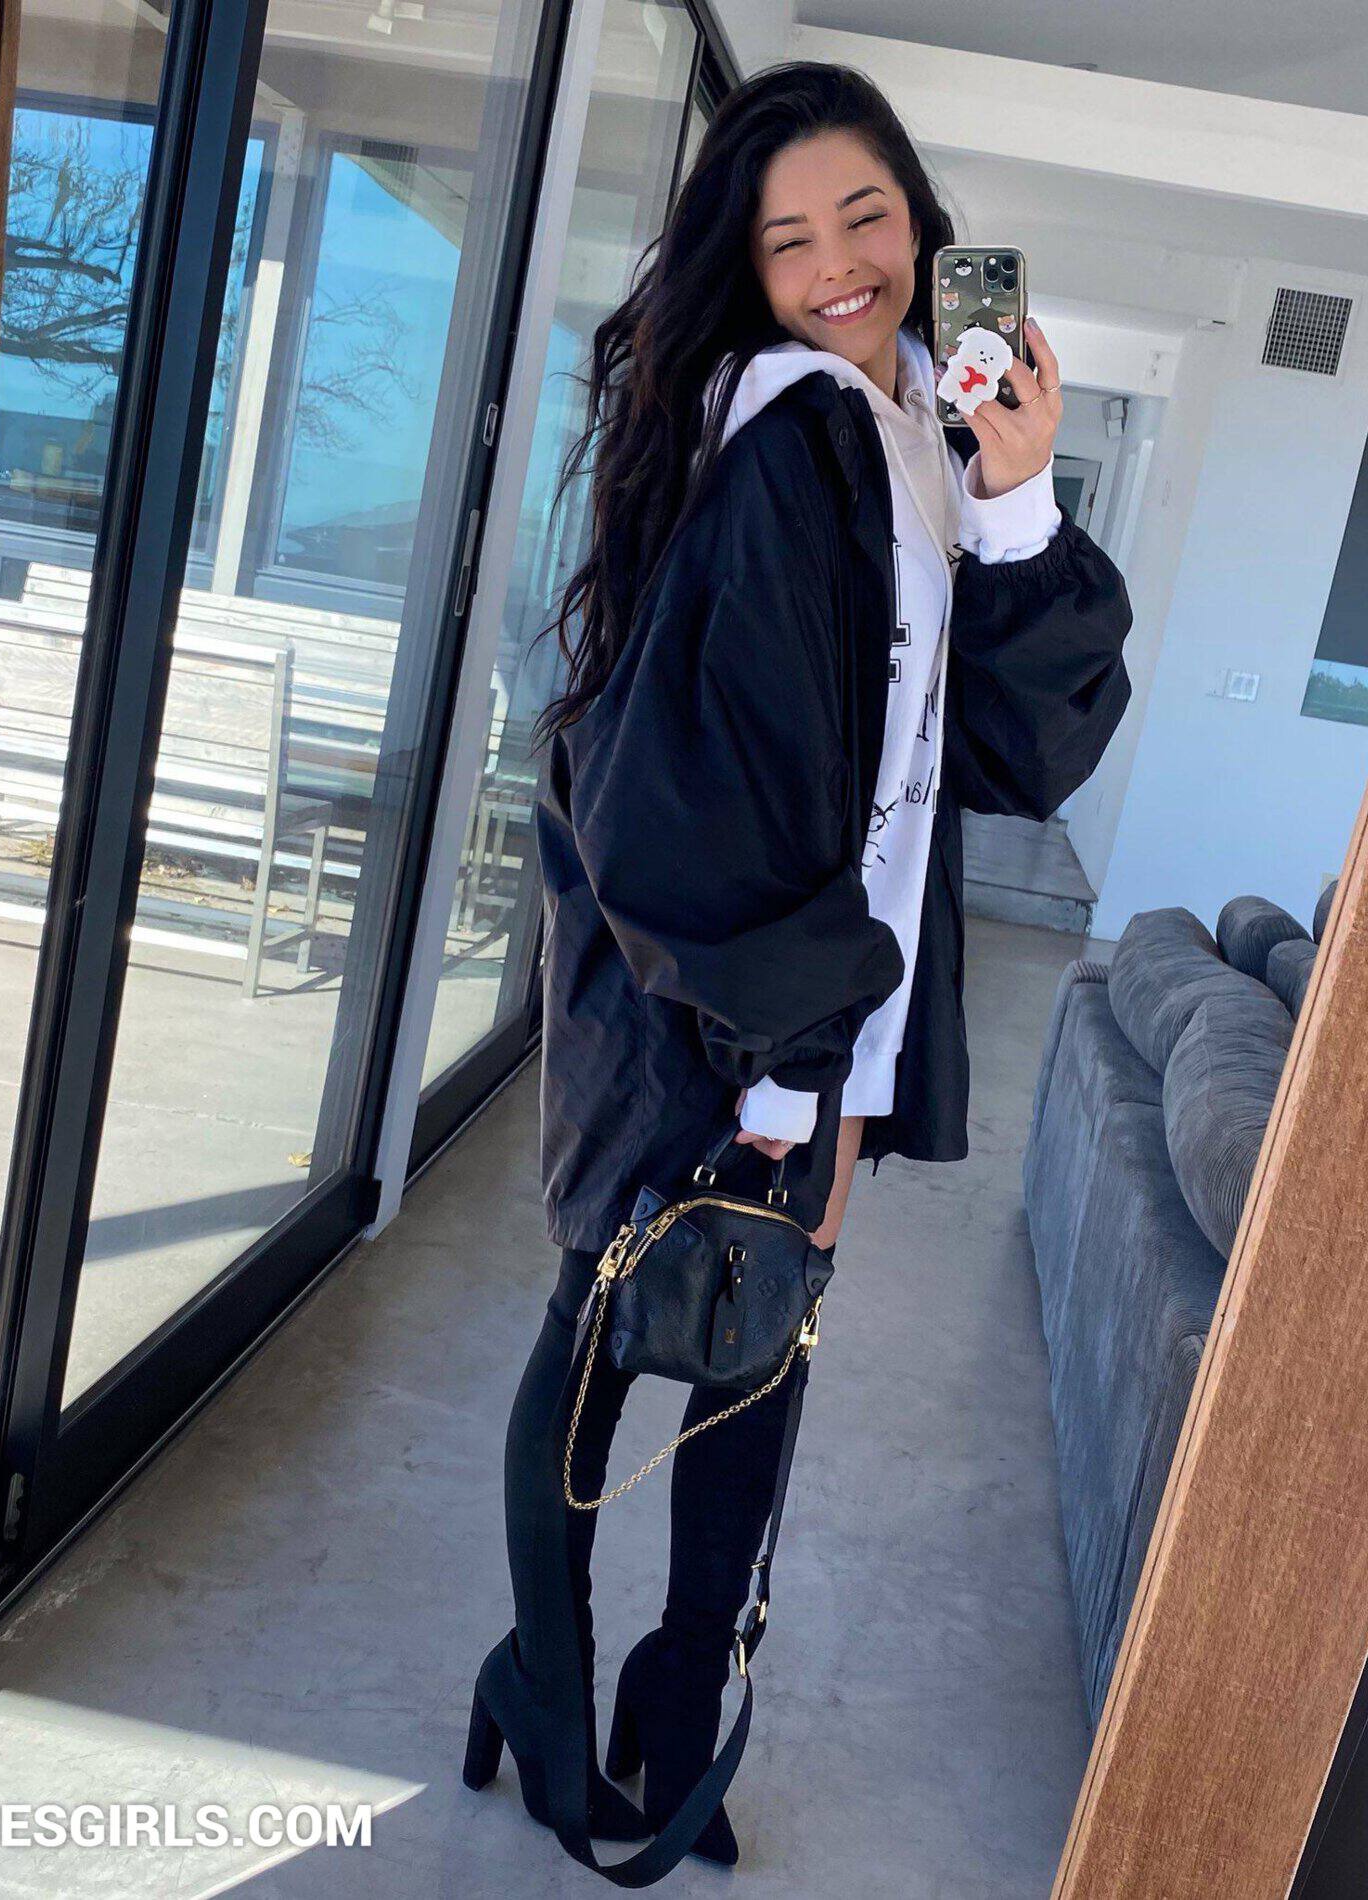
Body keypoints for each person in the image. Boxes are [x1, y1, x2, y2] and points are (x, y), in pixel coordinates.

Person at [465, 59, 1134, 1870]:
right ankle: (550, 1681)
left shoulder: (918, 427)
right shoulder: (789, 432)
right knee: (613, 1328)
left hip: (828, 1005)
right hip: (719, 1000)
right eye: (787, 240)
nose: (839, 265)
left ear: (921, 221)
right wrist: (784, 1077)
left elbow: (1010, 759)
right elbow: (707, 774)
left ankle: (674, 1705)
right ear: (745, 272)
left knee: (755, 1345)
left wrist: (1020, 500)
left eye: (866, 216)